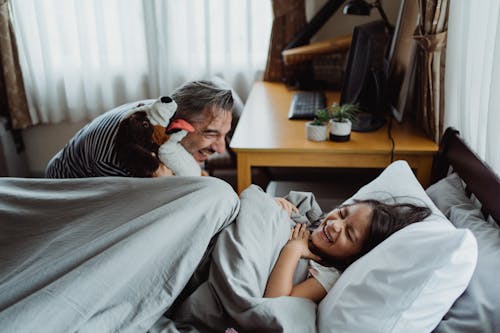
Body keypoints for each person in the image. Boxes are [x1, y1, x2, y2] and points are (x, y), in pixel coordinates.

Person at [45, 80, 233, 178]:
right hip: (66, 186)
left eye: (225, 135)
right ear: (177, 125)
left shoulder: (163, 112)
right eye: (211, 133)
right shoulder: (126, 153)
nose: (220, 149)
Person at [265, 198, 432, 303]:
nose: (335, 225)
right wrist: (276, 204)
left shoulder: (328, 276)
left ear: (354, 257)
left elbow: (274, 302)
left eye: (349, 233)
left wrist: (292, 250)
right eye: (342, 213)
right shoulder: (310, 224)